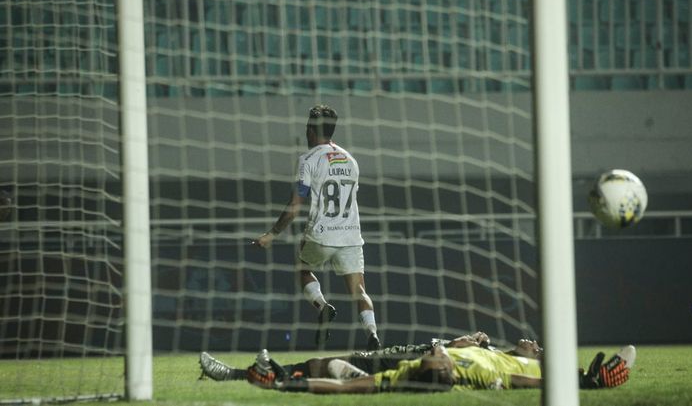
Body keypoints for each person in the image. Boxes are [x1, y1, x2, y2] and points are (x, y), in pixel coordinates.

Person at [253, 104, 380, 350]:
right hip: (351, 236)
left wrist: (272, 234)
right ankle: (373, 335)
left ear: (311, 130)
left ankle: (322, 306)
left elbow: (296, 203)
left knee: (303, 269)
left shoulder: (308, 160)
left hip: (322, 235)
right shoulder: (350, 160)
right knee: (360, 292)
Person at [244, 342, 636, 394]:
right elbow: (532, 376)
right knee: (330, 365)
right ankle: (279, 373)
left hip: (389, 368)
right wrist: (586, 379)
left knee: (332, 367)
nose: (440, 359)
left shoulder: (409, 373)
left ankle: (278, 374)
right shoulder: (492, 361)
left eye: (438, 361)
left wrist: (280, 386)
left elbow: (346, 391)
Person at [199, 331, 493, 382]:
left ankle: (238, 375)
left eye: (539, 349)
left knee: (319, 368)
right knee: (316, 365)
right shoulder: (491, 350)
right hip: (390, 356)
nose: (534, 343)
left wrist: (466, 344)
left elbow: (450, 356)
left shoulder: (488, 359)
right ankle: (261, 372)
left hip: (395, 367)